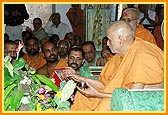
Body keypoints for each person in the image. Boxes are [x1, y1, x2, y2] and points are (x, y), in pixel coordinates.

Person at [63, 21, 164, 111]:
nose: (107, 44)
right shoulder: (119, 56)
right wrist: (80, 78)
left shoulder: (142, 54)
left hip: (139, 98)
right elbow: (104, 85)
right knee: (82, 97)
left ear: (121, 39)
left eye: (110, 40)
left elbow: (132, 95)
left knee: (105, 104)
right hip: (117, 94)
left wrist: (98, 95)